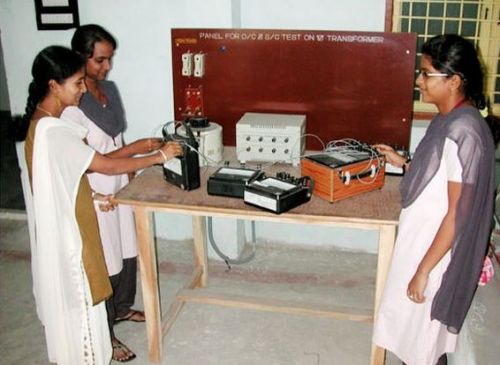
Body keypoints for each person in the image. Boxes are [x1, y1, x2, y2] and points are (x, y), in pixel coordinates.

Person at [22, 45, 182, 364]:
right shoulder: (53, 130)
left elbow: (62, 178)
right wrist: (160, 156)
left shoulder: (42, 123)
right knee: (86, 293)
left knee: (93, 286)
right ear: (54, 85)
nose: (83, 90)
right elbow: (103, 165)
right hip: (72, 230)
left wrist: (94, 196)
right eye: (77, 83)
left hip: (75, 211)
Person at [372, 34, 497, 365]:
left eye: (427, 74)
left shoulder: (465, 132)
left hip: (436, 252)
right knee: (413, 334)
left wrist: (424, 270)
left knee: (424, 338)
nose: (418, 81)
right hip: (422, 240)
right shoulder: (448, 118)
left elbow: (457, 213)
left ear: (454, 80)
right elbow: (441, 179)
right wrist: (404, 164)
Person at [60, 24, 152, 362]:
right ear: (81, 58)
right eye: (100, 61)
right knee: (106, 261)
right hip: (96, 190)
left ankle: (123, 309)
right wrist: (144, 152)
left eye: (109, 60)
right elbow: (84, 163)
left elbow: (117, 142)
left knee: (129, 251)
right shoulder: (71, 104)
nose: (107, 67)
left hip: (119, 183)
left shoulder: (109, 90)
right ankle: (106, 333)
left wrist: (131, 167)